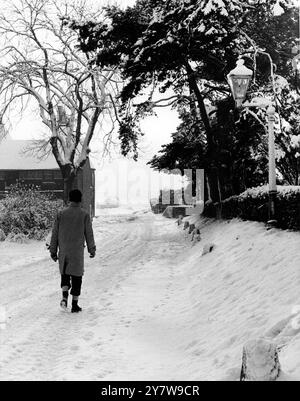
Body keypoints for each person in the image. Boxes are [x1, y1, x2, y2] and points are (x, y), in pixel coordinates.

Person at [49, 189, 96, 313]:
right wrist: (92, 249)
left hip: (64, 252)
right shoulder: (84, 215)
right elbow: (89, 234)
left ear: (69, 199)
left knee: (65, 276)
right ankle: (75, 305)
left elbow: (55, 234)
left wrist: (53, 250)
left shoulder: (61, 214)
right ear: (80, 199)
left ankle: (64, 297)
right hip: (77, 253)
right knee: (76, 278)